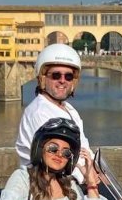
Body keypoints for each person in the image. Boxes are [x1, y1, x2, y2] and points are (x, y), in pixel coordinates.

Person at [15, 43, 92, 175]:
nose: (62, 80)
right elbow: (57, 159)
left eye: (68, 76)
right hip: (48, 184)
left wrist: (96, 170)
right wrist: (88, 176)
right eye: (56, 75)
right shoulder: (39, 112)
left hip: (74, 180)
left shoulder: (69, 110)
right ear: (43, 78)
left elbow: (84, 150)